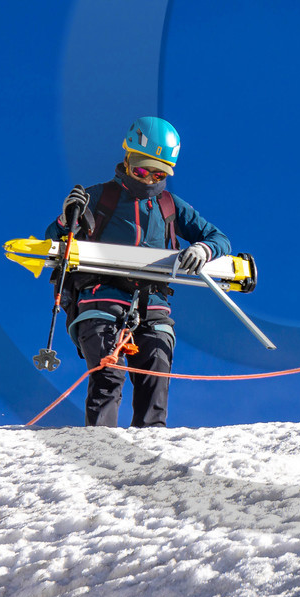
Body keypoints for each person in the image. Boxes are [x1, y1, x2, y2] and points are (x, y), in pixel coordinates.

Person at [48, 117, 231, 428]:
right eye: (142, 170)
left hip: (153, 305)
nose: (148, 179)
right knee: (109, 374)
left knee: (155, 374)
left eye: (158, 173)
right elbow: (55, 239)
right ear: (127, 158)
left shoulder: (170, 205)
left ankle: (149, 450)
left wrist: (202, 250)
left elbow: (219, 239)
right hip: (100, 300)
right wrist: (68, 220)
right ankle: (101, 447)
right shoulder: (99, 196)